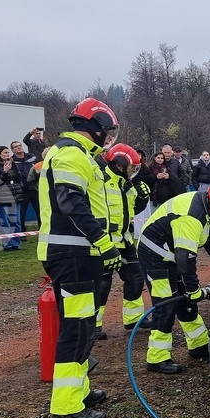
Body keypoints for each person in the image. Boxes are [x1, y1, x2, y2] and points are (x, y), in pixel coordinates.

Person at [37, 97, 119, 418]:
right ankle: (66, 406)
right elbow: (72, 203)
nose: (109, 138)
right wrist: (103, 243)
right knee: (76, 328)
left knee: (84, 325)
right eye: (108, 131)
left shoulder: (77, 154)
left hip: (78, 255)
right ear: (96, 127)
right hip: (73, 254)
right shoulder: (72, 154)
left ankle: (78, 391)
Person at [137, 185, 210, 373]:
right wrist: (194, 289)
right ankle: (157, 357)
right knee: (166, 303)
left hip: (172, 255)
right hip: (155, 256)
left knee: (186, 301)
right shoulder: (191, 218)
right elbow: (185, 258)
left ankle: (198, 344)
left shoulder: (208, 210)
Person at [94, 144, 150, 339]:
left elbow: (132, 210)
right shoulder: (99, 181)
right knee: (101, 285)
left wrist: (143, 197)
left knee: (135, 278)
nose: (134, 171)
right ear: (120, 164)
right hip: (105, 243)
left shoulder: (126, 183)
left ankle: (133, 319)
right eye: (132, 167)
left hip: (125, 241)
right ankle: (94, 324)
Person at [0, 146, 24, 251]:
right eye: (5, 152)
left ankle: (16, 243)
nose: (7, 154)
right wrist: (5, 171)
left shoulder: (14, 164)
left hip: (16, 194)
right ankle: (7, 244)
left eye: (8, 152)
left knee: (16, 221)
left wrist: (20, 186)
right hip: (3, 196)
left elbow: (19, 177)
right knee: (6, 221)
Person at [11, 140, 39, 231]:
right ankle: (22, 233)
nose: (19, 147)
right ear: (13, 150)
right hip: (22, 190)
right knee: (21, 212)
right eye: (16, 146)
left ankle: (42, 230)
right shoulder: (12, 161)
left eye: (20, 145)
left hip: (34, 188)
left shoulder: (31, 157)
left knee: (40, 210)